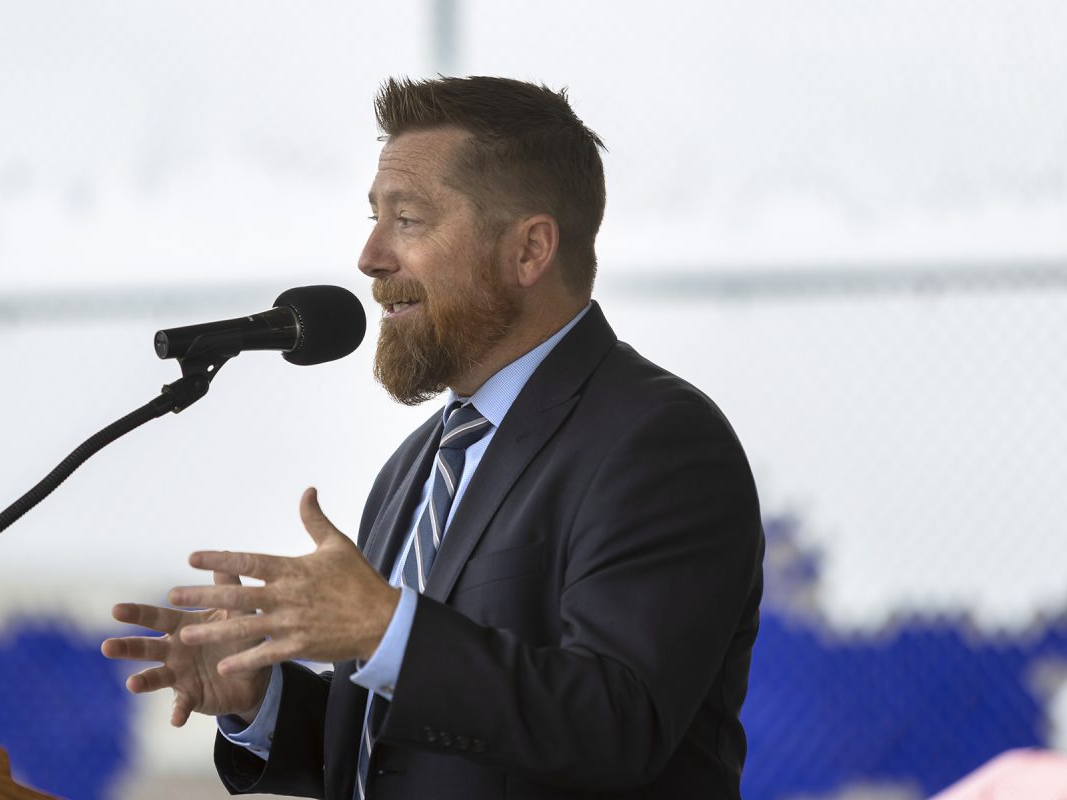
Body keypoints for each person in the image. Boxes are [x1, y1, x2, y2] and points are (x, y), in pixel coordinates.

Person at [103, 75, 765, 799]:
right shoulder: (418, 465)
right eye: (373, 217)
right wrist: (263, 701)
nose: (369, 256)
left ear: (529, 250)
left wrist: (386, 629)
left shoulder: (657, 442)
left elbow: (615, 725)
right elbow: (406, 750)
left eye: (409, 220)